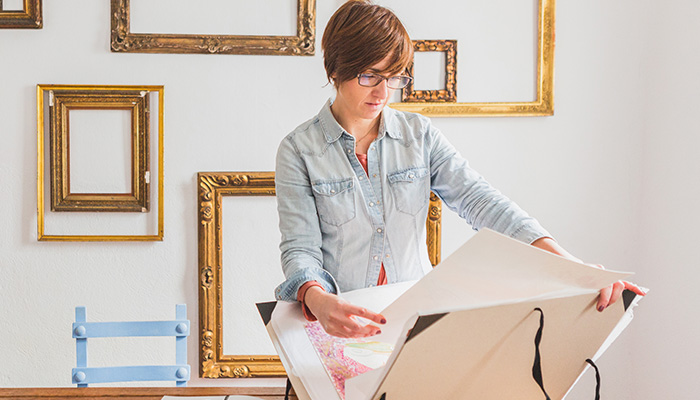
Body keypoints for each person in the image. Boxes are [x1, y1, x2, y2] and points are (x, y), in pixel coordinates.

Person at [273, 0, 644, 338]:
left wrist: (573, 267)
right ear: (335, 68)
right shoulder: (299, 150)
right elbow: (300, 250)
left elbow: (482, 202)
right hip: (337, 326)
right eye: (370, 76)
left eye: (395, 77)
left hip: (412, 325)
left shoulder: (419, 136)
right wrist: (320, 302)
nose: (383, 92)